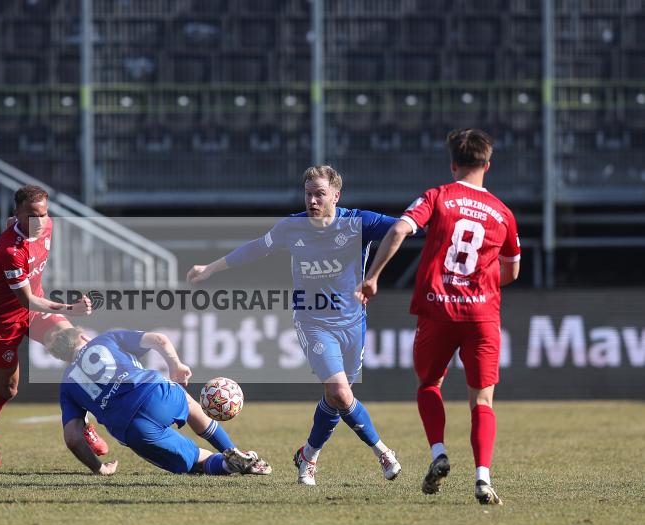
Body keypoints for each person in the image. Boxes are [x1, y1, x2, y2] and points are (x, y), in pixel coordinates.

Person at [188, 165, 414, 486]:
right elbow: (255, 248)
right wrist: (210, 268)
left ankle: (308, 455)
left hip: (353, 323)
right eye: (308, 194)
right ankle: (383, 452)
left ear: (336, 195)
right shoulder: (291, 228)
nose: (313, 200)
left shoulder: (358, 222)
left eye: (320, 194)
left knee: (336, 399)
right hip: (312, 320)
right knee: (339, 391)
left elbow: (403, 229)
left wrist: (442, 225)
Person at [355, 128, 521, 505]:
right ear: (487, 165)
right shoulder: (503, 213)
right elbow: (511, 272)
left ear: (453, 163)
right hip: (481, 315)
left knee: (429, 384)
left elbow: (399, 228)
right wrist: (478, 280)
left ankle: (438, 453)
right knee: (482, 401)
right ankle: (483, 477)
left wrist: (373, 277)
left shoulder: (439, 197)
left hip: (437, 308)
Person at [0, 185, 104, 467]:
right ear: (16, 214)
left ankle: (83, 424)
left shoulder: (45, 225)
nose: (39, 221)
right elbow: (27, 300)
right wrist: (70, 309)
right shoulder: (8, 251)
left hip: (35, 312)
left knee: (82, 350)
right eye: (31, 216)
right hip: (2, 319)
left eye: (43, 214)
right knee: (7, 389)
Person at [50, 326, 272, 477]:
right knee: (189, 403)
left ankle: (227, 465)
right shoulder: (106, 339)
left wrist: (99, 469)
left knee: (195, 462)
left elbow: (72, 439)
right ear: (83, 337)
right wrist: (175, 365)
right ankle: (231, 451)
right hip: (157, 394)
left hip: (133, 429)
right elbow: (160, 339)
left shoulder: (67, 385)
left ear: (63, 358)